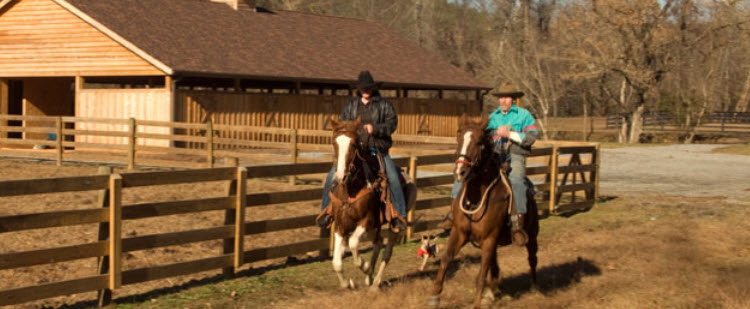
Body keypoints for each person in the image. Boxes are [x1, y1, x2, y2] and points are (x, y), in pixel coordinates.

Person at [449, 82, 539, 245]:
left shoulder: (524, 115)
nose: (503, 101)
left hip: (515, 154)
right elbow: (482, 137)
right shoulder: (493, 117)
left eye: (507, 97)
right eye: (501, 97)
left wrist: (510, 134)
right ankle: (452, 214)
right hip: (495, 155)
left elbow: (532, 136)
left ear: (513, 99)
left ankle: (518, 223)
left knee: (517, 180)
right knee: (463, 173)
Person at [317, 71, 407, 232]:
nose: (365, 91)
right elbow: (343, 124)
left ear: (373, 88)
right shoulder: (351, 105)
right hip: (355, 151)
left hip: (377, 148)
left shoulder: (384, 104)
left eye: (368, 88)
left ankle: (397, 215)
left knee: (392, 177)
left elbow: (392, 123)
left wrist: (376, 129)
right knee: (332, 175)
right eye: (362, 88)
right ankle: (326, 212)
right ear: (358, 89)